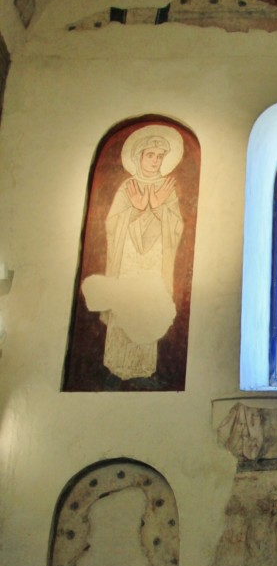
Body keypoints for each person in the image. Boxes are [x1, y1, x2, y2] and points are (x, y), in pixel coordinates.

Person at [82, 126, 184, 380]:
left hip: (153, 261)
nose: (155, 161)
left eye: (160, 157)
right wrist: (137, 209)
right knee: (123, 303)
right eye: (150, 155)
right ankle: (116, 363)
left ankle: (142, 366)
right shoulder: (127, 187)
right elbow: (111, 224)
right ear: (139, 156)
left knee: (148, 305)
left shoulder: (167, 188)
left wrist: (158, 207)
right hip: (127, 259)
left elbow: (177, 227)